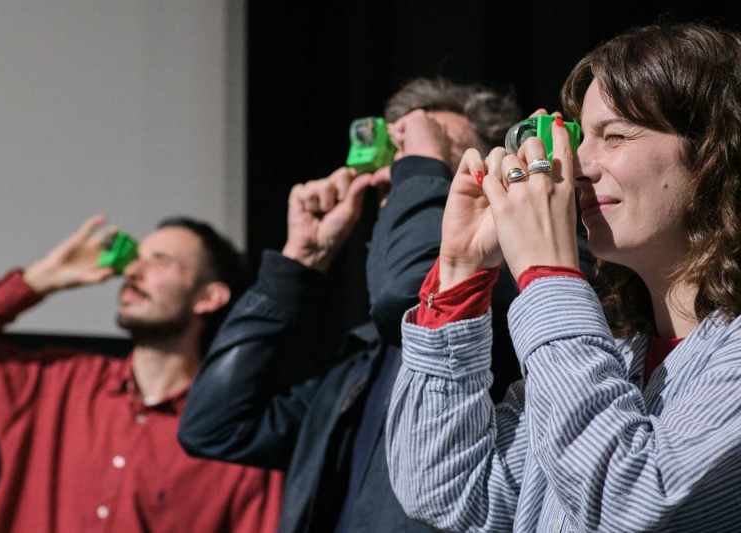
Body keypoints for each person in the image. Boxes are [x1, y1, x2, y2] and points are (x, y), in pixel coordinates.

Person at [385, 22, 741, 532]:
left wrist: (548, 275)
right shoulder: (615, 351)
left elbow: (634, 504)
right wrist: (461, 275)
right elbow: (449, 491)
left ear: (715, 151)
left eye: (614, 136)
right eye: (579, 139)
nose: (575, 167)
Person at [178, 77, 523, 532]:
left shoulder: (514, 306)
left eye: (437, 162)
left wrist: (422, 166)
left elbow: (410, 291)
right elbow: (215, 428)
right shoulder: (361, 365)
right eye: (400, 173)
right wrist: (298, 263)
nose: (406, 182)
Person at [0, 215, 284, 532]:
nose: (132, 270)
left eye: (160, 261)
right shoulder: (54, 385)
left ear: (209, 297)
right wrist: (39, 280)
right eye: (136, 257)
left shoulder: (232, 437)